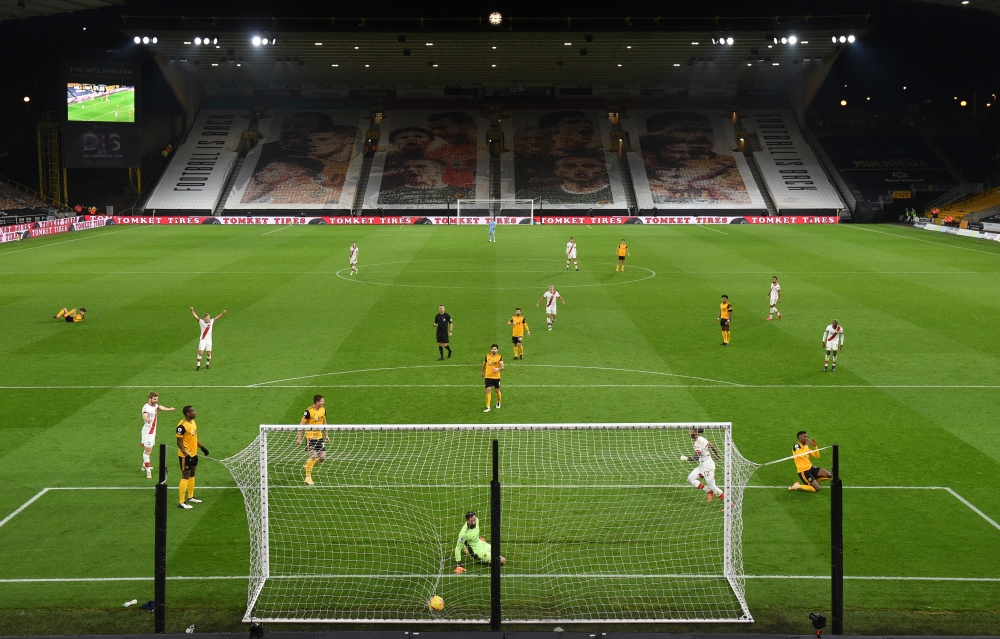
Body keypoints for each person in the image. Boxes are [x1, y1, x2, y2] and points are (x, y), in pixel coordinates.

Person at [176, 406, 209, 509]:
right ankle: (181, 502)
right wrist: (186, 455)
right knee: (185, 474)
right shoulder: (181, 426)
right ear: (187, 414)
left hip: (194, 454)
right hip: (185, 455)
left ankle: (190, 497)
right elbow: (179, 442)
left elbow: (194, 438)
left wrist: (202, 448)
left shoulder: (193, 423)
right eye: (193, 411)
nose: (195, 412)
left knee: (192, 473)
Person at [681, 427, 724, 503]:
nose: (689, 432)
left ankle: (729, 504)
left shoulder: (698, 443)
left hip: (707, 467)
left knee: (713, 487)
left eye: (690, 430)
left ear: (694, 432)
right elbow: (711, 445)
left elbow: (697, 457)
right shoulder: (702, 439)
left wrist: (686, 458)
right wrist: (716, 454)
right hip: (702, 465)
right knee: (691, 479)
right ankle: (708, 491)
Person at [295, 395, 329, 486]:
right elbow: (301, 425)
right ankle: (308, 477)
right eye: (322, 401)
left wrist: (326, 435)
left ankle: (308, 466)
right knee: (313, 456)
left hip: (319, 436)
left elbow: (324, 423)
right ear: (317, 402)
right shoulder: (308, 411)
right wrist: (299, 438)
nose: (323, 403)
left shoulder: (323, 410)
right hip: (310, 437)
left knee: (322, 457)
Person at [141, 392, 175, 479]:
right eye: (154, 399)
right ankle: (148, 471)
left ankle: (144, 465)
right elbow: (144, 415)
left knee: (148, 450)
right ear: (150, 398)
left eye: (157, 399)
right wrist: (148, 419)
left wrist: (169, 409)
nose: (156, 401)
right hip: (148, 432)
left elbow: (160, 407)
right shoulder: (146, 407)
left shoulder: (154, 405)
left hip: (152, 431)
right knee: (148, 451)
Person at [480, 343, 504, 412]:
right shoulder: (487, 356)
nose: (494, 350)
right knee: (488, 390)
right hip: (488, 376)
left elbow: (502, 366)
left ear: (497, 350)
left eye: (495, 349)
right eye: (493, 349)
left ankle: (498, 401)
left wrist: (497, 369)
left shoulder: (500, 357)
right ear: (491, 350)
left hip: (496, 377)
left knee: (497, 391)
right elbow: (484, 364)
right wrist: (482, 372)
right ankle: (488, 407)